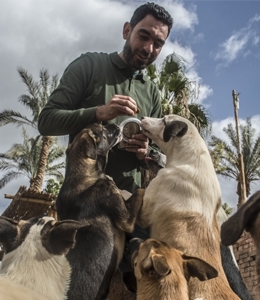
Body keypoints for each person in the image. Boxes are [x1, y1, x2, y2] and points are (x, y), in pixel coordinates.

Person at [37, 2, 173, 296]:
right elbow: (46, 121)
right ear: (127, 30)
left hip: (134, 212)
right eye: (144, 36)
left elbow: (163, 158)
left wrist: (146, 153)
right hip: (87, 209)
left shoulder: (152, 93)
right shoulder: (89, 65)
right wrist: (98, 112)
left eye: (158, 43)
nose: (149, 48)